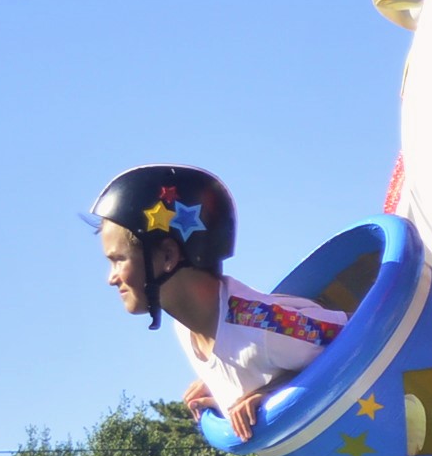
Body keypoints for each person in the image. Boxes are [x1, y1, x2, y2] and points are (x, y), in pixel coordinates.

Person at [91, 164, 344, 441]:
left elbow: (356, 333)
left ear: (167, 257)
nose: (111, 278)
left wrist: (274, 393)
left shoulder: (261, 325)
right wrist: (226, 388)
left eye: (118, 260)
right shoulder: (187, 329)